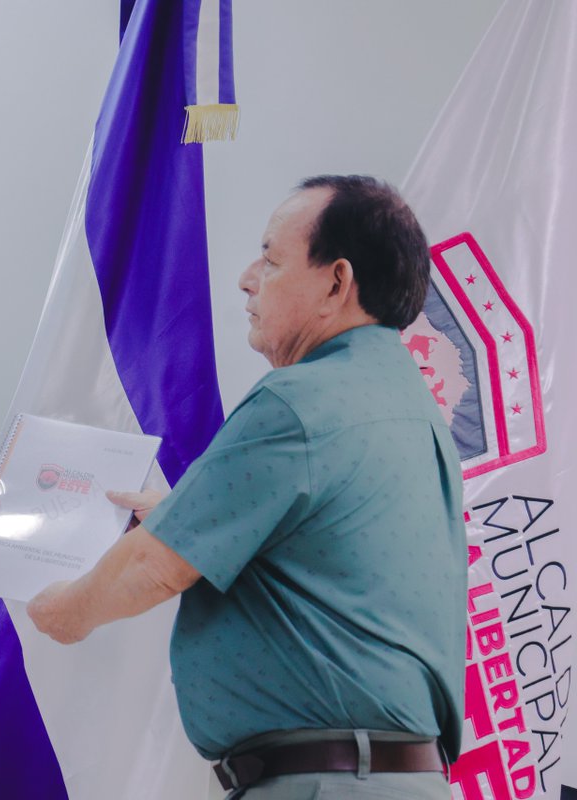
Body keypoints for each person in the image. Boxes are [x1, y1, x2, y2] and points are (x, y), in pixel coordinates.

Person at [27, 176, 466, 799]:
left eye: (270, 257)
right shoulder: (412, 409)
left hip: (324, 784)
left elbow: (153, 567)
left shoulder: (301, 400)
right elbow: (330, 554)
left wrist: (63, 611)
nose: (246, 277)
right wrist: (185, 516)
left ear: (336, 283)